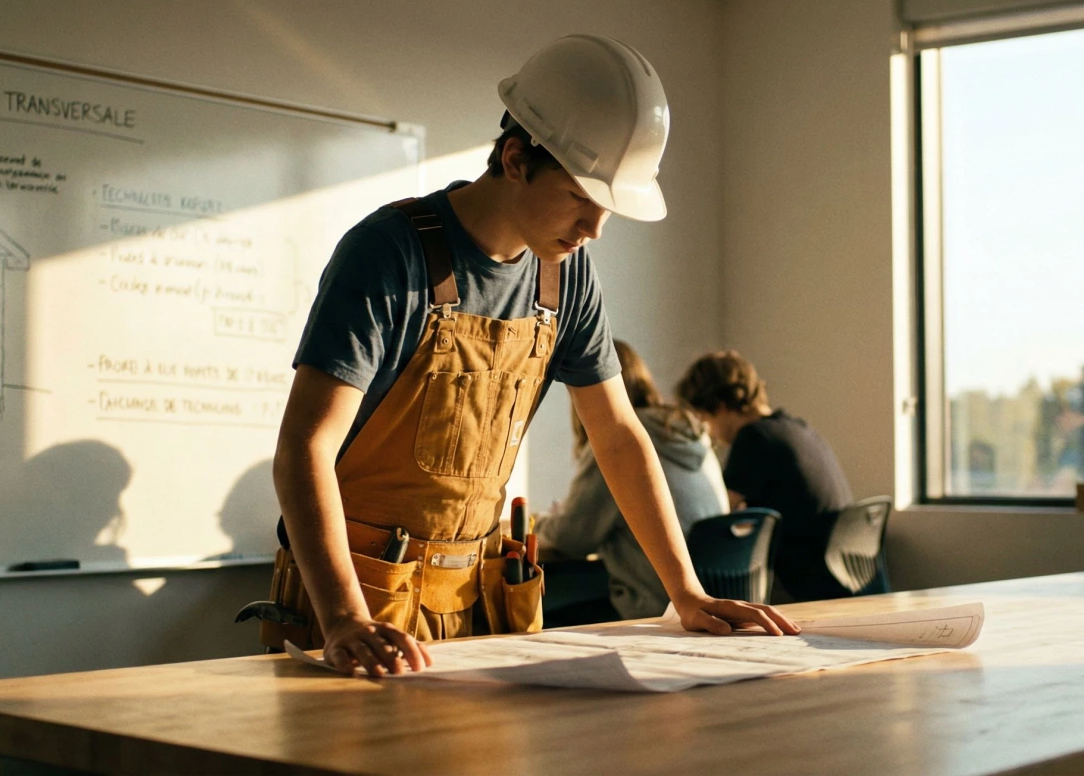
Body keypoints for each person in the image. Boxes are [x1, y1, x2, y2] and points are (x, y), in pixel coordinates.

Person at [270, 35, 797, 678]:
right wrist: (344, 617)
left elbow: (620, 437)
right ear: (516, 159)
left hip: (478, 608)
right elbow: (305, 446)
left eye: (606, 209)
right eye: (580, 198)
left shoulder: (565, 278)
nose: (593, 230)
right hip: (357, 607)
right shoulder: (387, 255)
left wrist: (684, 593)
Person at [538, 339, 729, 621]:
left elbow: (573, 537)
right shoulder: (691, 434)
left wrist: (537, 522)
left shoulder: (619, 441)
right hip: (712, 594)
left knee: (539, 606)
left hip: (654, 602)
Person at [675, 351, 855, 602]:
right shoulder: (797, 427)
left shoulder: (754, 437)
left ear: (720, 406)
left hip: (802, 582)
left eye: (704, 419)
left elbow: (717, 513)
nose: (710, 433)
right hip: (841, 573)